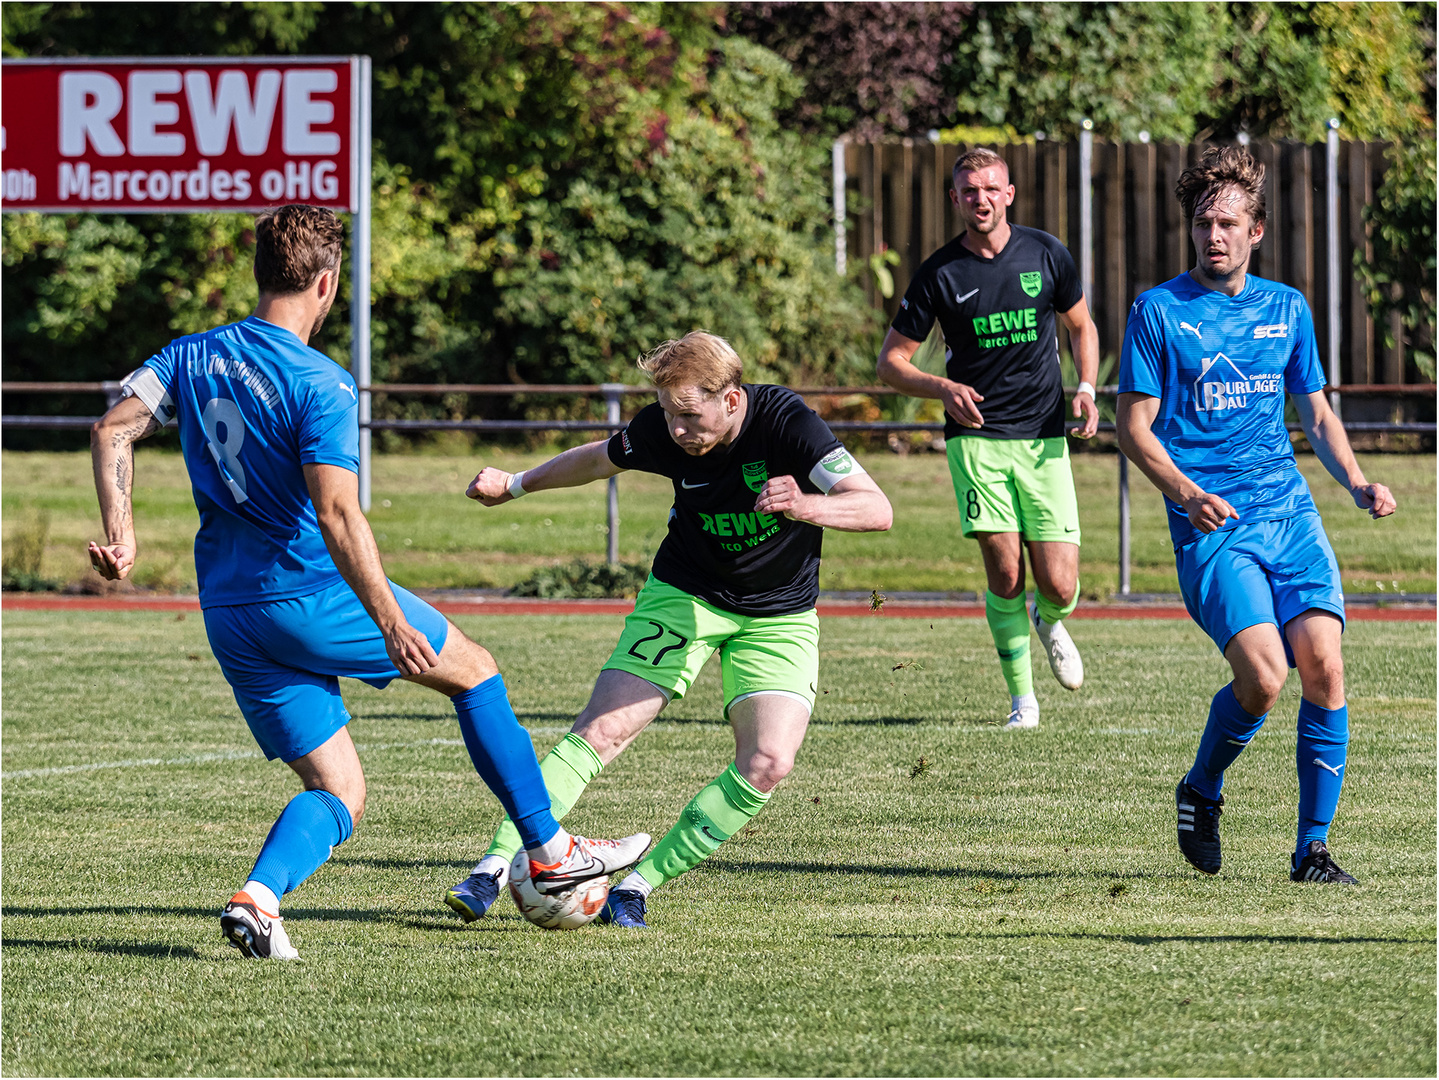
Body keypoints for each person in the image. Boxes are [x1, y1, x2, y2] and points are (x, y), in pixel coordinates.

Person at [87, 205, 649, 959]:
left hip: (229, 608)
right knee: (475, 673)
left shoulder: (189, 355)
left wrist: (121, 533)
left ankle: (258, 900)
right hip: (309, 594)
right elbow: (338, 514)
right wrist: (387, 618)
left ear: (261, 276)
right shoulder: (321, 382)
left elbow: (112, 428)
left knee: (340, 791)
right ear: (327, 282)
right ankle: (550, 854)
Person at [445, 331, 893, 928]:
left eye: (688, 415)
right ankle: (493, 868)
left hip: (779, 615)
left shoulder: (788, 421)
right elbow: (597, 458)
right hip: (685, 593)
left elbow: (876, 507)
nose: (677, 430)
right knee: (602, 730)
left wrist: (807, 504)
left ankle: (637, 886)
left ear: (731, 400)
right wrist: (517, 484)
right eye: (666, 414)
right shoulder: (664, 428)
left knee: (767, 761)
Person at [1116, 146, 1396, 884]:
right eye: (1203, 222)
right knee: (1265, 677)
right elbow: (1133, 428)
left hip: (1287, 512)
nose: (1213, 235)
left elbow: (1316, 414)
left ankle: (1312, 850)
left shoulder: (1285, 309)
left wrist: (1357, 482)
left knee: (1324, 667)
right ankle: (1201, 788)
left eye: (1227, 223)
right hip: (1212, 527)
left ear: (1256, 231)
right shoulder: (1157, 311)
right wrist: (1184, 492)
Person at [877, 147, 1101, 730]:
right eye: (969, 190)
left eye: (990, 188)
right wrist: (940, 387)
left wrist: (1088, 387)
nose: (980, 198)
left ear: (1009, 193)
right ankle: (1022, 702)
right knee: (1004, 574)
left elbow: (1081, 325)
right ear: (955, 198)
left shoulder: (1047, 253)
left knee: (1059, 582)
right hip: (975, 442)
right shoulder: (939, 273)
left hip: (1044, 437)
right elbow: (891, 363)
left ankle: (1050, 620)